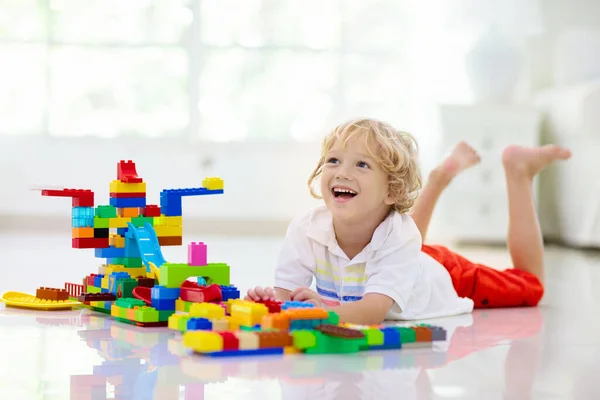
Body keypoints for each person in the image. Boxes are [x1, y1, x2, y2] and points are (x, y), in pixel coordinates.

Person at [245, 118, 572, 325]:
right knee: (400, 236)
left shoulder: (400, 238)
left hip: (445, 276)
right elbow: (285, 295)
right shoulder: (306, 229)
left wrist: (319, 311)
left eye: (362, 165)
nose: (342, 171)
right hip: (403, 257)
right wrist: (269, 303)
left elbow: (372, 312)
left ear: (392, 191)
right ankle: (440, 176)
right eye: (333, 160)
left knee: (531, 286)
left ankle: (519, 172)